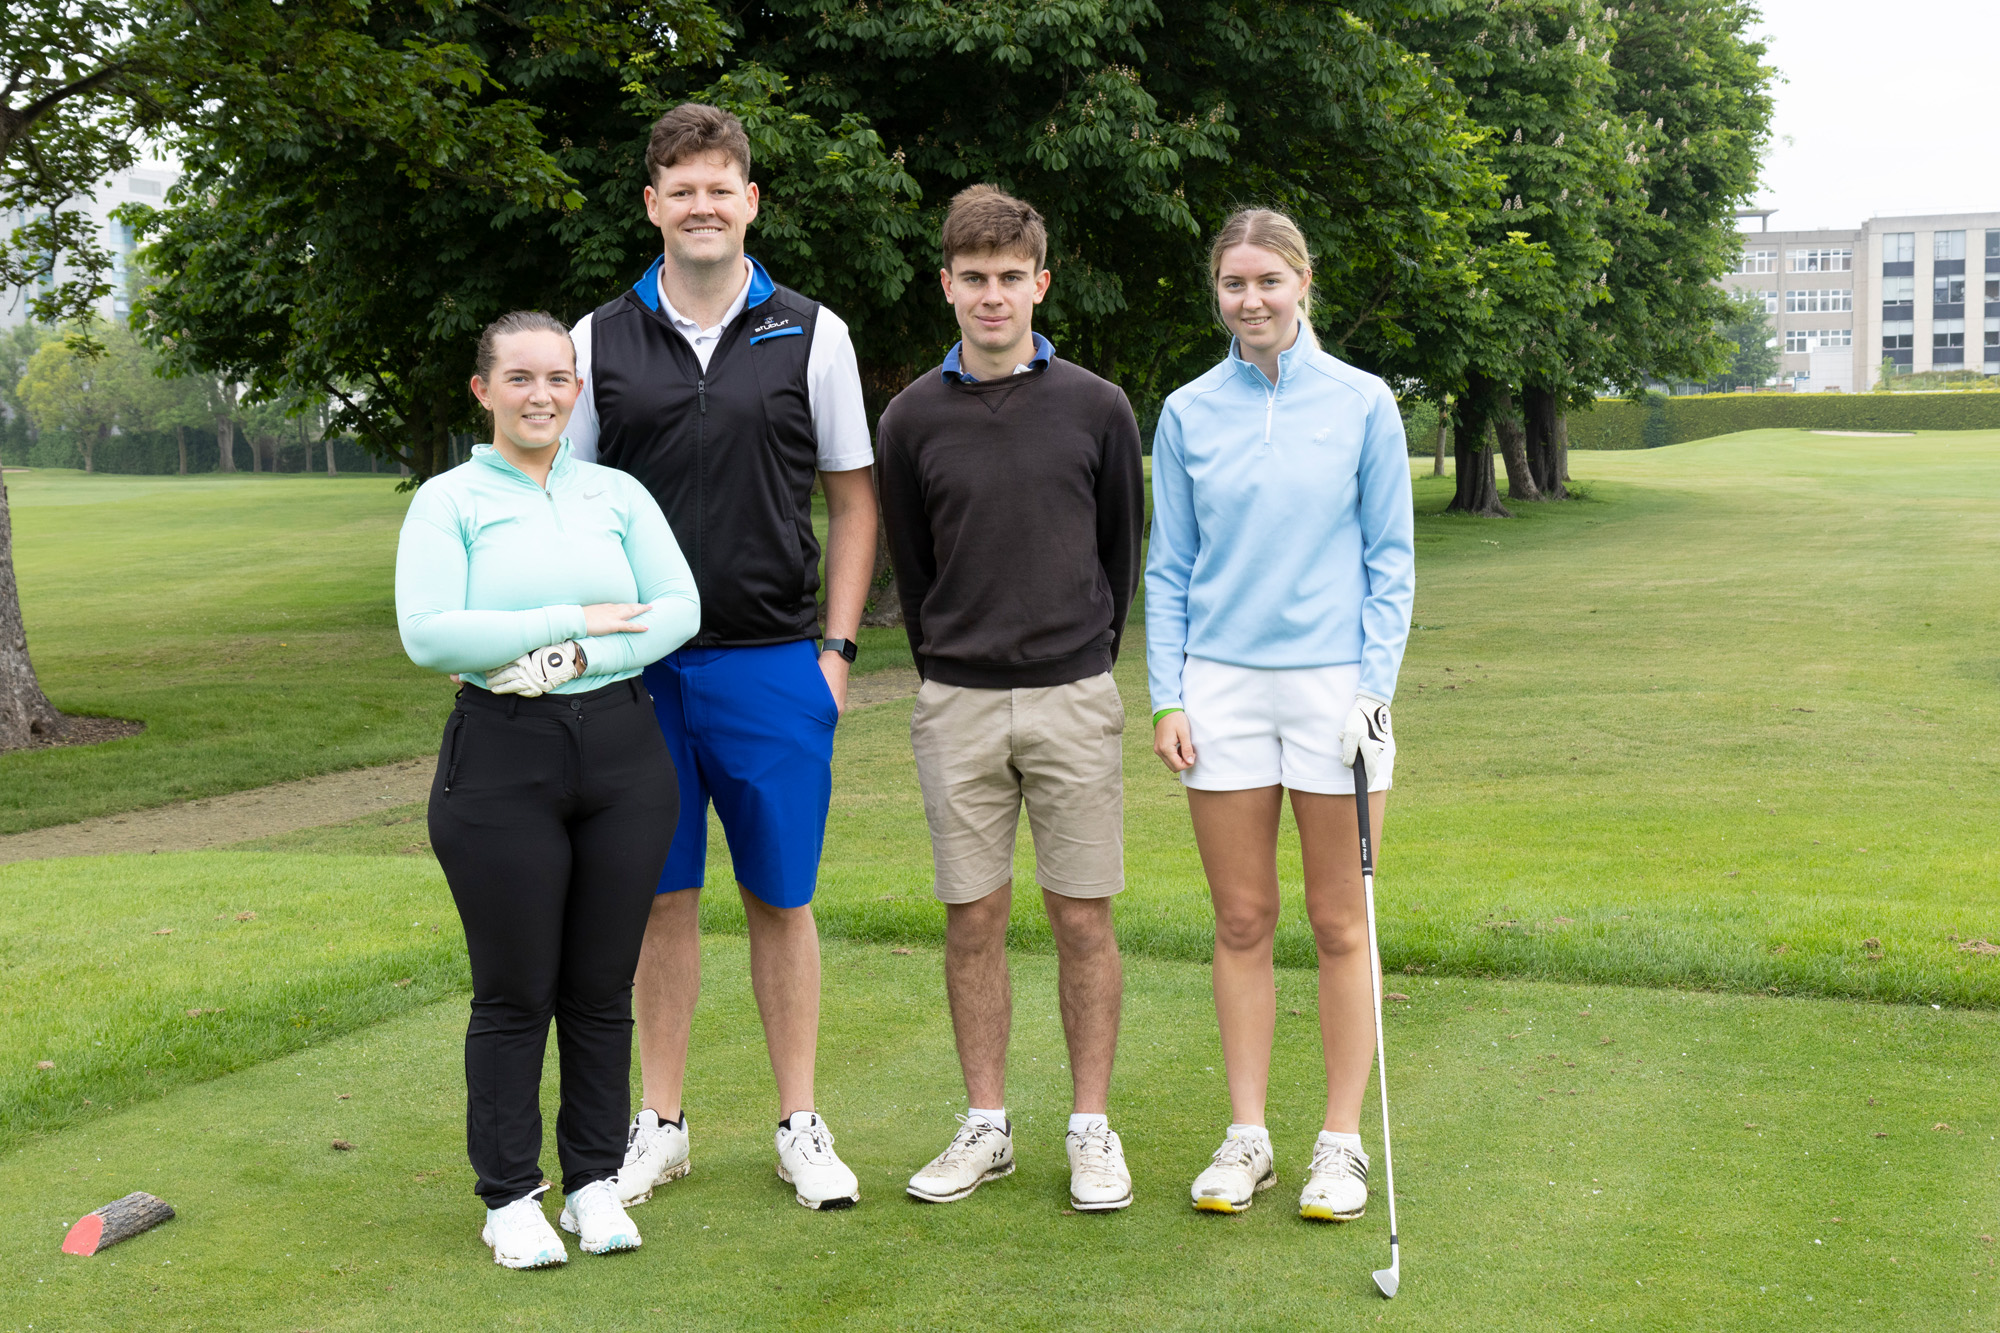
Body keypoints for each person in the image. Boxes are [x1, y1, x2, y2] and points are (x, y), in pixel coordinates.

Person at [565, 102, 878, 1211]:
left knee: (779, 898)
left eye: (719, 188)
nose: (702, 206)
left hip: (773, 662)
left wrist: (836, 652)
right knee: (660, 899)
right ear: (652, 204)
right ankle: (661, 1123)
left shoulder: (813, 331)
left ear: (750, 201)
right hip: (638, 673)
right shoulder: (595, 339)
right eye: (681, 189)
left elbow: (853, 500)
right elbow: (568, 505)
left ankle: (799, 1122)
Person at [395, 310, 701, 1268]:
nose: (542, 395)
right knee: (516, 989)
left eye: (559, 378)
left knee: (601, 985)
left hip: (622, 752)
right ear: (483, 390)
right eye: (520, 378)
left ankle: (594, 1181)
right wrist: (574, 615)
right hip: (501, 757)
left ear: (577, 388)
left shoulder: (615, 492)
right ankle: (510, 1195)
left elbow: (679, 607)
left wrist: (567, 654)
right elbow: (431, 632)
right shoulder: (449, 500)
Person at [878, 186, 1145, 1212]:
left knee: (1082, 916)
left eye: (1010, 278)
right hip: (958, 701)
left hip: (1072, 694)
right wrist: (953, 663)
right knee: (972, 917)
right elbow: (914, 564)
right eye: (973, 279)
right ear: (946, 286)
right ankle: (985, 1125)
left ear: (1041, 283)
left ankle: (1090, 1127)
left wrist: (1081, 654)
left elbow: (1119, 551)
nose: (992, 296)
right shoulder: (910, 417)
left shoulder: (1097, 406)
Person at [1145, 208, 1414, 1222]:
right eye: (1233, 283)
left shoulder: (1362, 401)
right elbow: (1168, 568)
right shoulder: (1186, 411)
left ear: (1302, 281)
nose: (1250, 299)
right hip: (1219, 687)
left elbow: (1390, 561)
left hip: (1333, 688)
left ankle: (1339, 1143)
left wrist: (1371, 690)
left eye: (1267, 280)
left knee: (1340, 920)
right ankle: (1247, 1136)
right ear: (1216, 291)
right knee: (1241, 918)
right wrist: (1167, 693)